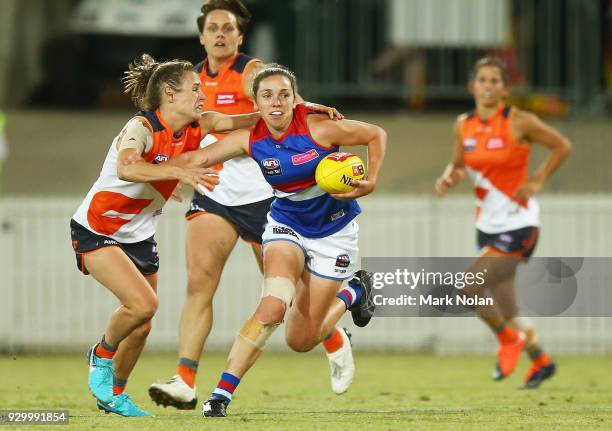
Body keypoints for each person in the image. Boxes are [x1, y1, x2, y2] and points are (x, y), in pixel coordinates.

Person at [148, 0, 348, 410]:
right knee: (199, 282)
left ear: (240, 37)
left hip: (264, 197)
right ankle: (185, 380)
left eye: (229, 28)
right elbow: (189, 124)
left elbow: (283, 106)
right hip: (215, 194)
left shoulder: (250, 72)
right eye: (214, 28)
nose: (221, 34)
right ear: (201, 36)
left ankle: (330, 332)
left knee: (288, 297)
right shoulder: (191, 81)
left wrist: (304, 110)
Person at [158, 64, 385, 417]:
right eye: (267, 96)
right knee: (273, 305)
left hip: (334, 233)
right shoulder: (251, 139)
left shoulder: (319, 127)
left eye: (283, 94)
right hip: (285, 226)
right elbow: (198, 157)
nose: (276, 102)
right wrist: (166, 172)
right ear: (257, 104)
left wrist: (370, 179)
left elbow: (376, 134)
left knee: (300, 340)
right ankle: (220, 395)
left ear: (296, 100)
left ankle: (354, 292)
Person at [71, 53, 268, 416]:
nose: (202, 94)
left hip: (139, 235)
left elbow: (249, 119)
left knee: (142, 326)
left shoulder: (201, 124)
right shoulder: (141, 128)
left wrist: (299, 110)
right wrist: (179, 172)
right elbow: (129, 168)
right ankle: (100, 355)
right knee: (143, 304)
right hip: (99, 228)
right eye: (195, 89)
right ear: (170, 94)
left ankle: (112, 396)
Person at [435, 57, 571, 388]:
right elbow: (457, 165)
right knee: (507, 307)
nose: (488, 85)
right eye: (482, 79)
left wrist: (537, 180)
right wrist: (448, 178)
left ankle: (509, 341)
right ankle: (540, 359)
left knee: (468, 286)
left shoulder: (519, 121)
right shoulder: (463, 124)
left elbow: (561, 146)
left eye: (495, 80)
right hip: (488, 226)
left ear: (504, 88)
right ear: (472, 86)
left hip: (520, 223)